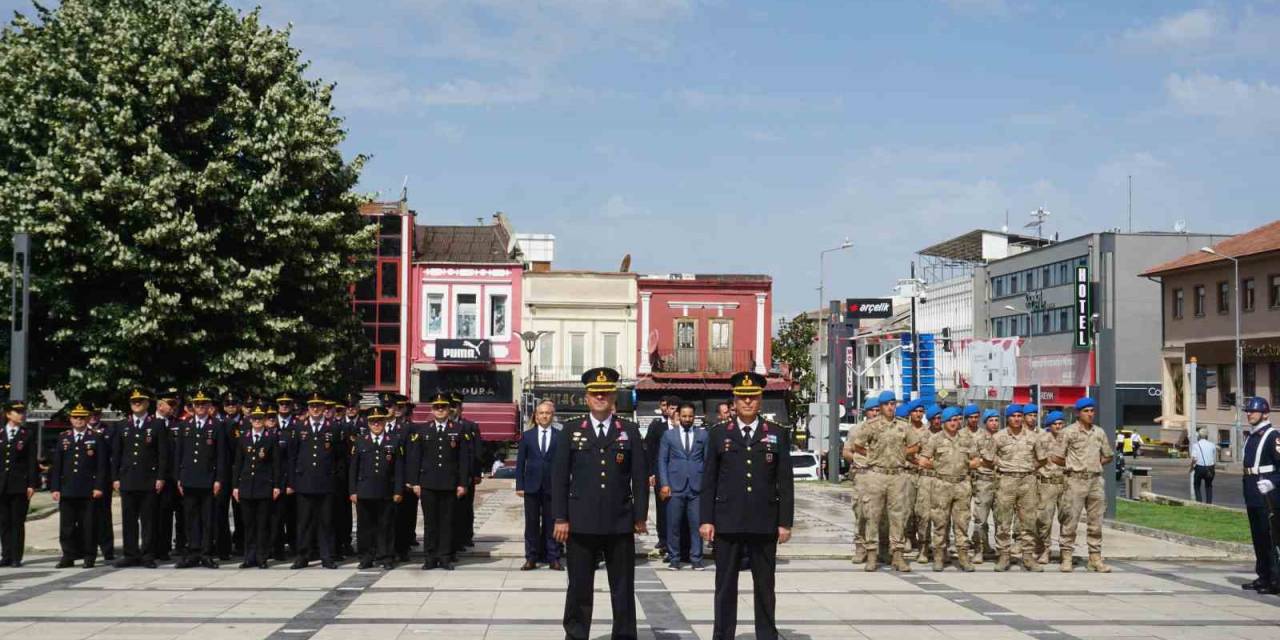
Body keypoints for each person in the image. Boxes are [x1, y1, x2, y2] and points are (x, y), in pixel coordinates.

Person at [552, 367, 648, 640]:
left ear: (614, 396)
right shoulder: (572, 430)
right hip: (581, 522)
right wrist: (560, 517)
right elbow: (559, 478)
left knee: (622, 587)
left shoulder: (627, 430)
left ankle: (625, 635)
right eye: (595, 393)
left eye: (605, 393)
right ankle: (576, 634)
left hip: (619, 521)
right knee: (579, 587)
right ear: (587, 398)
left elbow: (639, 477)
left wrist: (640, 516)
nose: (600, 397)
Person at [700, 371, 794, 640]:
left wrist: (784, 522)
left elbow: (785, 482)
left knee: (765, 585)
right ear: (734, 401)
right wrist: (706, 519)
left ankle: (766, 634)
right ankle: (723, 635)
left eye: (753, 397)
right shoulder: (719, 434)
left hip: (764, 521)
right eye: (742, 398)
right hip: (727, 521)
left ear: (761, 399)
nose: (748, 403)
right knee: (725, 585)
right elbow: (709, 480)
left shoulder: (775, 433)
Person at [851, 391, 919, 572]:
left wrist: (903, 454)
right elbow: (858, 445)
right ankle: (871, 554)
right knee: (873, 515)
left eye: (893, 404)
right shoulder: (871, 425)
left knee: (898, 516)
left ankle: (898, 554)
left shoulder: (904, 426)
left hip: (897, 475)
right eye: (887, 404)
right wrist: (872, 455)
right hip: (876, 475)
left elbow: (914, 445)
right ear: (880, 407)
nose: (891, 407)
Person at [410, 391, 471, 570]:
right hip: (428, 484)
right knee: (430, 523)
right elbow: (416, 459)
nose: (440, 410)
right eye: (437, 407)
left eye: (443, 407)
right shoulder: (423, 430)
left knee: (447, 522)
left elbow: (463, 460)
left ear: (448, 409)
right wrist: (415, 482)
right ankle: (430, 557)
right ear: (432, 410)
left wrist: (462, 483)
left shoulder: (458, 430)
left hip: (449, 484)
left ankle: (444, 556)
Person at [916, 407, 980, 571]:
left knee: (962, 523)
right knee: (940, 522)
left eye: (956, 420)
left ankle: (963, 557)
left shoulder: (966, 439)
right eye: (950, 420)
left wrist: (966, 465)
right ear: (944, 423)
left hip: (961, 485)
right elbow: (923, 460)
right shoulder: (935, 439)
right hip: (941, 484)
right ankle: (938, 556)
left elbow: (976, 461)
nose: (953, 423)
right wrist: (938, 466)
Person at [985, 402, 1044, 572]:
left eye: (1019, 416)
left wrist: (1030, 468)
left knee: (1028, 520)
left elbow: (1042, 458)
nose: (1017, 419)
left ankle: (1027, 557)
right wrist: (1002, 466)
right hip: (1006, 481)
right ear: (1008, 418)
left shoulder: (1033, 437)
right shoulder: (998, 437)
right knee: (1003, 519)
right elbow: (989, 458)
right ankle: (1004, 555)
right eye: (1013, 416)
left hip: (1027, 481)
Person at [115, 388, 169, 568]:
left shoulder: (157, 425)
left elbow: (163, 454)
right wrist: (115, 477)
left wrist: (161, 477)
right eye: (133, 401)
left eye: (140, 401)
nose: (136, 404)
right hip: (128, 479)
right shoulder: (122, 425)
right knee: (128, 519)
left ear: (147, 403)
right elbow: (117, 455)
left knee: (148, 520)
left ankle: (147, 555)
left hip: (149, 479)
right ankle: (130, 554)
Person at [1059, 397, 1114, 573]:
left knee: (1096, 521)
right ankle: (1066, 557)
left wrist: (1095, 465)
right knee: (1071, 519)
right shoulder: (1069, 432)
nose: (1090, 414)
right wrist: (1074, 467)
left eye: (1092, 411)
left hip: (1095, 480)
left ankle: (1095, 558)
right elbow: (1057, 456)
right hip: (1075, 480)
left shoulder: (1099, 432)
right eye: (1086, 411)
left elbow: (1108, 455)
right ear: (1078, 413)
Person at [50, 402, 107, 568]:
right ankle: (68, 555)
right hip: (67, 489)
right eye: (75, 417)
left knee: (88, 525)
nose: (79, 420)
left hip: (88, 489)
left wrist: (99, 486)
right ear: (71, 419)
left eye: (82, 417)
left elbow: (102, 466)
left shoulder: (96, 437)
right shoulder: (64, 437)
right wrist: (55, 488)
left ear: (88, 418)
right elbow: (57, 466)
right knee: (66, 526)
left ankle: (89, 556)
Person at [173, 390, 225, 569]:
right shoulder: (185, 425)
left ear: (209, 406)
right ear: (192, 407)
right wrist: (178, 478)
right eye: (197, 404)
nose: (200, 407)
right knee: (190, 517)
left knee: (207, 518)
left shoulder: (216, 425)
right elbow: (178, 454)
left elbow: (221, 456)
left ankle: (206, 553)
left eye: (203, 404)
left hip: (208, 479)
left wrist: (219, 479)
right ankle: (193, 552)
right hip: (188, 478)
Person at [288, 393, 339, 569]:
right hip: (304, 482)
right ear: (308, 409)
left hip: (326, 481)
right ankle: (303, 556)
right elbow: (292, 456)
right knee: (304, 521)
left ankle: (327, 556)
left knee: (327, 521)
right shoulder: (299, 427)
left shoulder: (332, 427)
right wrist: (292, 482)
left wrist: (335, 479)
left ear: (324, 408)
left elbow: (339, 458)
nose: (315, 409)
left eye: (318, 406)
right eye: (312, 406)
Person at [350, 407, 404, 570]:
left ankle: (386, 556)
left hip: (386, 491)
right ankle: (366, 557)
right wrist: (352, 491)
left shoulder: (393, 440)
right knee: (365, 527)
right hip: (364, 491)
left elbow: (399, 468)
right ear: (368, 423)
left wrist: (398, 491)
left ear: (384, 422)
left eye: (379, 420)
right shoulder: (360, 441)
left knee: (386, 526)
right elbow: (353, 468)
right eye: (373, 421)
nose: (376, 424)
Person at [232, 404, 281, 569]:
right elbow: (238, 463)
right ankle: (249, 557)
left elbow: (276, 464)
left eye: (261, 418)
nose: (257, 421)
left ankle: (261, 557)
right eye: (255, 418)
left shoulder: (271, 437)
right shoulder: (244, 437)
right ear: (250, 420)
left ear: (265, 420)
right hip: (246, 486)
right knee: (249, 525)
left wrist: (276, 485)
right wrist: (235, 486)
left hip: (263, 486)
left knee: (262, 524)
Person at [659, 401, 707, 570]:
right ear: (678, 416)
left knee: (696, 525)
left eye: (691, 416)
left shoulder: (703, 435)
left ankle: (696, 558)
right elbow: (662, 461)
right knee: (673, 525)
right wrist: (664, 483)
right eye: (684, 416)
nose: (687, 419)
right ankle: (674, 558)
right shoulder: (668, 435)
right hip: (674, 485)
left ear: (695, 417)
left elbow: (707, 461)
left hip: (696, 486)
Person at [516, 400, 562, 571]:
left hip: (553, 486)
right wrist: (519, 485)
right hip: (531, 486)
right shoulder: (527, 436)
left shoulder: (560, 436)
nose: (544, 416)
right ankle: (531, 557)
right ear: (536, 416)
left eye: (547, 413)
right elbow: (520, 463)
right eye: (541, 413)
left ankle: (553, 557)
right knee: (532, 523)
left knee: (552, 523)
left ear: (552, 415)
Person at [1240, 397, 1279, 594]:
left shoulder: (1273, 436)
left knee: (1269, 537)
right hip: (1252, 492)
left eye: (1253, 411)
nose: (1249, 414)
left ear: (1265, 414)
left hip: (1268, 495)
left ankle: (1274, 579)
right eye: (1248, 411)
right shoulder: (1252, 435)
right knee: (1258, 537)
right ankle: (1263, 575)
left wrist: (1273, 482)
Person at [842, 395, 879, 563]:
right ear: (866, 412)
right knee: (862, 513)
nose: (875, 413)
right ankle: (860, 547)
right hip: (863, 475)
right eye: (872, 410)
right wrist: (858, 460)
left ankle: (883, 548)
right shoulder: (857, 430)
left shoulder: (885, 430)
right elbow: (847, 452)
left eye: (878, 410)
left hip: (881, 476)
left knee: (882, 514)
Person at [449, 392, 482, 556]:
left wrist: (477, 473)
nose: (453, 410)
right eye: (451, 406)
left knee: (465, 508)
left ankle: (465, 536)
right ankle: (453, 539)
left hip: (467, 474)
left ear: (461, 408)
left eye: (456, 406)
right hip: (448, 475)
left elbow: (476, 452)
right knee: (450, 510)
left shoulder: (470, 426)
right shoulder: (444, 426)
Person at [644, 395, 677, 559]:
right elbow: (650, 450)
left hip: (678, 474)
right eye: (669, 407)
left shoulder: (688, 427)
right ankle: (663, 540)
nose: (671, 411)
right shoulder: (657, 427)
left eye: (674, 408)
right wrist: (651, 472)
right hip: (660, 473)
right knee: (662, 509)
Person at [1034, 411, 1069, 567]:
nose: (1058, 426)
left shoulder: (1069, 439)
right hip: (1046, 483)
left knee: (1067, 518)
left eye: (1061, 423)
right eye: (1055, 424)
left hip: (1065, 482)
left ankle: (1065, 551)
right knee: (1044, 519)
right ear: (1049, 425)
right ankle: (1045, 549)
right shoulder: (1041, 439)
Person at [969, 409, 1000, 564]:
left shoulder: (1004, 437)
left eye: (996, 420)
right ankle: (979, 549)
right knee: (981, 518)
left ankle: (1001, 550)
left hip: (1002, 482)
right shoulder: (978, 438)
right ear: (985, 422)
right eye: (991, 420)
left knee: (1001, 519)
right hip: (984, 481)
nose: (994, 423)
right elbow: (976, 460)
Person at [88, 403, 116, 561]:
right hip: (85, 480)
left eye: (96, 413)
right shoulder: (82, 430)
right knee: (86, 517)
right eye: (90, 414)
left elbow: (113, 455)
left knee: (104, 515)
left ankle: (107, 549)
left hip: (103, 478)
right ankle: (87, 548)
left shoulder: (109, 430)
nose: (93, 417)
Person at [1189, 428, 1218, 504]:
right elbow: (1214, 459)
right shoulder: (1212, 445)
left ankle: (1199, 503)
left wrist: (1191, 468)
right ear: (1206, 436)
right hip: (1210, 468)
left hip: (1199, 468)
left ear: (1199, 436)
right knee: (1209, 486)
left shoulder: (1196, 445)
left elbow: (1194, 459)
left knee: (1197, 485)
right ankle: (1209, 504)